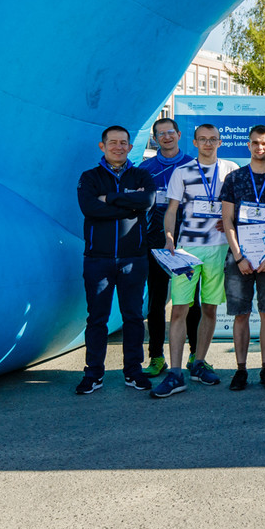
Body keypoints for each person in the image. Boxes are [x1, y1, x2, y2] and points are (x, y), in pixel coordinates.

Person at [154, 123, 237, 397]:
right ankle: (175, 373)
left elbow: (239, 206)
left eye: (213, 139)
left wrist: (230, 222)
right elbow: (171, 210)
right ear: (194, 142)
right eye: (203, 139)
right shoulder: (182, 171)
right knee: (179, 309)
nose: (208, 143)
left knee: (210, 309)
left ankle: (199, 362)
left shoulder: (230, 170)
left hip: (219, 249)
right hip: (187, 250)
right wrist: (169, 237)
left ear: (220, 142)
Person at [75, 125, 155, 394]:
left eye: (123, 143)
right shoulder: (90, 177)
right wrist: (129, 205)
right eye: (113, 142)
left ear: (130, 147)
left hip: (134, 259)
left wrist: (109, 198)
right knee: (97, 319)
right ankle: (93, 374)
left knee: (133, 317)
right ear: (103, 146)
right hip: (98, 260)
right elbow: (90, 208)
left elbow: (147, 201)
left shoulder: (142, 175)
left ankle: (133, 371)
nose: (118, 147)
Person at [219, 124, 265, 391]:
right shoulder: (234, 179)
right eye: (255, 143)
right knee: (240, 315)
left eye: (264, 143)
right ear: (248, 145)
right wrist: (239, 257)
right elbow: (227, 220)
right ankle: (240, 369)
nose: (259, 147)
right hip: (239, 258)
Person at [140, 117, 194, 380]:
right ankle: (156, 356)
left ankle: (196, 355)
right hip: (155, 243)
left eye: (170, 132)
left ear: (179, 134)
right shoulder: (145, 168)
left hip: (189, 242)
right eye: (160, 134)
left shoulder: (193, 165)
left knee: (191, 301)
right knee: (156, 301)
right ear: (154, 138)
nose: (166, 137)